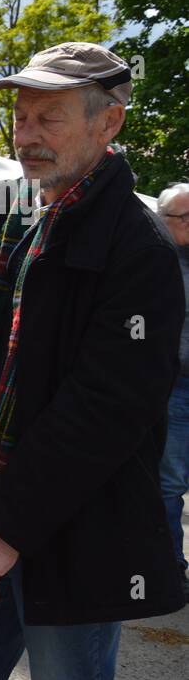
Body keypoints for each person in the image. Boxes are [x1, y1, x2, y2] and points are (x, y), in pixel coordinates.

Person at [0, 42, 187, 680]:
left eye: (50, 118)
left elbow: (104, 411)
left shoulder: (139, 248)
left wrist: (6, 534)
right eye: (21, 115)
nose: (26, 134)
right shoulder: (10, 215)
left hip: (69, 530)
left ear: (109, 125)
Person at [156, 182, 189, 596]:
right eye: (185, 217)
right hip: (174, 388)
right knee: (168, 484)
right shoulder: (154, 260)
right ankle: (168, 569)